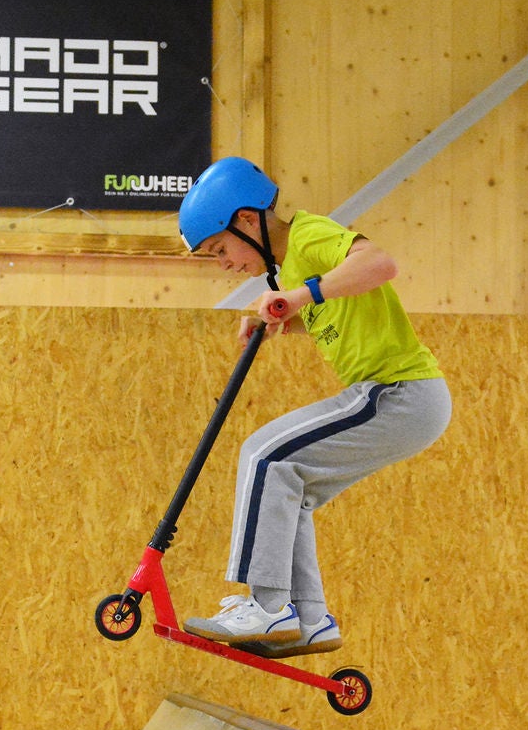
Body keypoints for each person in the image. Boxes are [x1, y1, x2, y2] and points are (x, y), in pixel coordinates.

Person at [177, 157, 451, 657]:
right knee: (290, 485)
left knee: (265, 456)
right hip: (391, 396)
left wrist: (300, 295)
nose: (225, 264)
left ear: (246, 220)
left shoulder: (306, 237)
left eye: (221, 250)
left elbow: (380, 264)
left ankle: (267, 608)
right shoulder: (291, 267)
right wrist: (283, 319)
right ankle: (310, 618)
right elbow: (334, 307)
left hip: (398, 391)